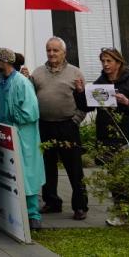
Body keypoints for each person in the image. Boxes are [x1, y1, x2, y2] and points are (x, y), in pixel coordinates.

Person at [85, 47, 129, 235]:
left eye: (109, 61)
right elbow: (88, 106)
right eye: (103, 61)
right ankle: (123, 214)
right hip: (107, 138)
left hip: (128, 137)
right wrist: (79, 92)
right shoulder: (100, 83)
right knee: (116, 180)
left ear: (118, 62)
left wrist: (127, 103)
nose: (105, 65)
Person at [29, 36, 89, 220]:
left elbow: (84, 102)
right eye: (49, 50)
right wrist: (25, 79)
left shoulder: (75, 73)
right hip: (45, 125)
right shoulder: (37, 73)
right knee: (47, 167)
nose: (52, 53)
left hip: (67, 126)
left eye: (56, 50)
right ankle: (52, 201)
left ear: (64, 52)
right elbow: (29, 98)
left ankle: (80, 206)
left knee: (74, 167)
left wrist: (76, 120)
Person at [0, 47, 46, 231]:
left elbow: (31, 112)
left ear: (4, 62)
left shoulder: (22, 82)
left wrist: (11, 115)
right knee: (8, 173)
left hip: (24, 137)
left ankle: (33, 214)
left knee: (27, 174)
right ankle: (10, 212)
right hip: (5, 136)